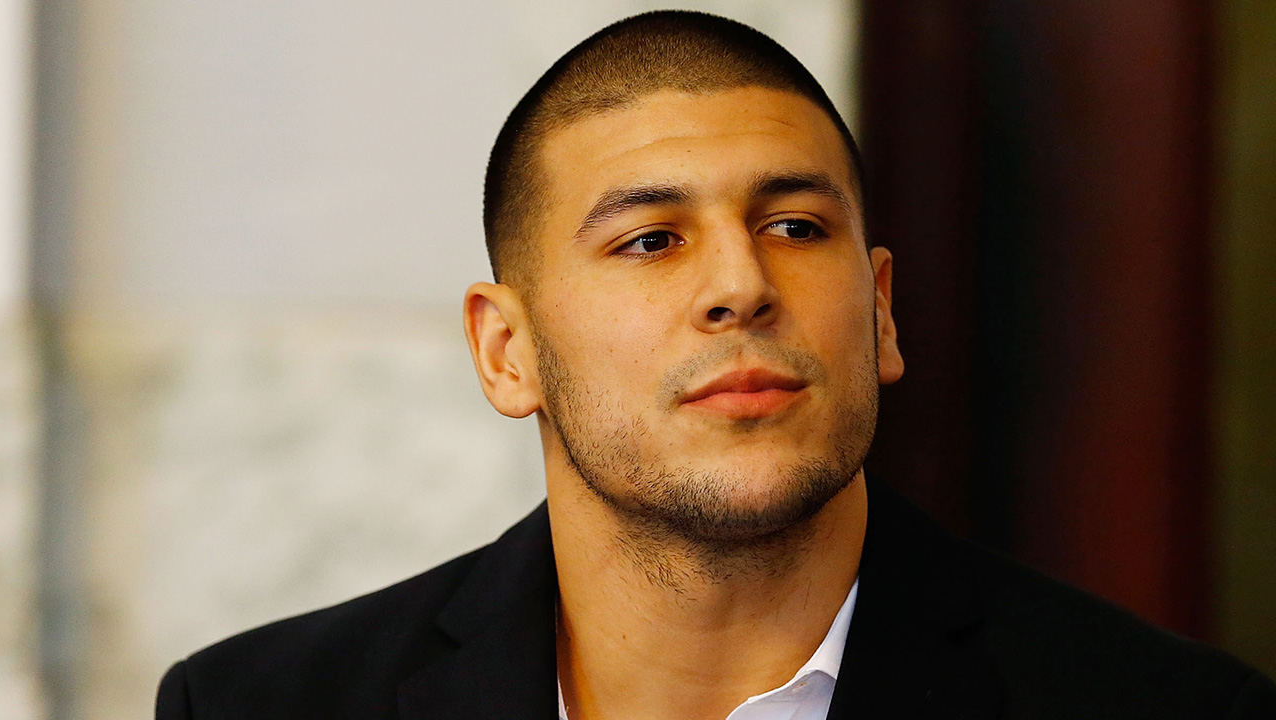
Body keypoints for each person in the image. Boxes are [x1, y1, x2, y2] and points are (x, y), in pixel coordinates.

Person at [155, 11, 1276, 720]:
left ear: (880, 312)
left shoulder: (1164, 711)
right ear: (506, 352)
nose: (740, 284)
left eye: (795, 226)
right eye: (651, 240)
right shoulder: (260, 708)